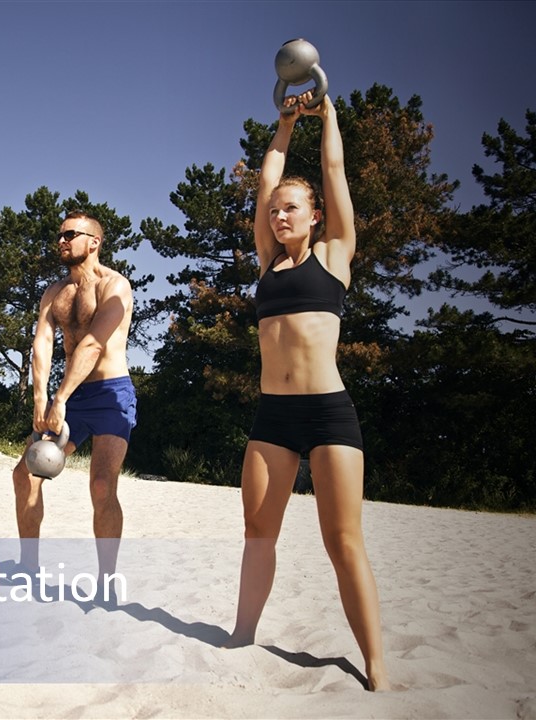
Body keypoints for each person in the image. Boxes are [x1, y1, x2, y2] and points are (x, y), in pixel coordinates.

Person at [224, 92, 389, 691]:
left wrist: (330, 118)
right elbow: (267, 178)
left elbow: (336, 171)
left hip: (328, 414)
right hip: (273, 416)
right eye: (273, 212)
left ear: (314, 215)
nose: (278, 217)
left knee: (343, 540)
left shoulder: (336, 255)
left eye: (290, 209)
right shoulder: (267, 263)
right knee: (256, 532)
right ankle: (242, 638)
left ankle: (376, 666)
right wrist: (284, 123)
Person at [12, 211, 137, 599]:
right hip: (71, 396)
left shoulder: (115, 286)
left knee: (101, 485)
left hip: (111, 392)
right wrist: (40, 398)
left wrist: (60, 397)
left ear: (94, 242)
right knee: (25, 474)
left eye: (71, 234)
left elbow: (93, 344)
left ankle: (107, 583)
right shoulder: (55, 292)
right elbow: (42, 344)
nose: (62, 241)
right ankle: (28, 566)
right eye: (60, 234)